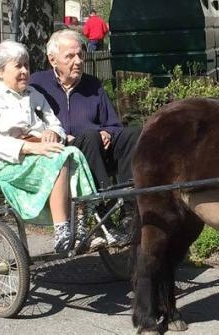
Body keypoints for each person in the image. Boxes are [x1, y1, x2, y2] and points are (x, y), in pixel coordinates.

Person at [0, 40, 99, 253]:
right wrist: (29, 148)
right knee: (58, 158)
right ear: (0, 71)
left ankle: (81, 227)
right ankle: (62, 231)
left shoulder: (32, 94)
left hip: (34, 155)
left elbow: (56, 125)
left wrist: (52, 132)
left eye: (27, 65)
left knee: (73, 153)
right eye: (18, 66)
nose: (25, 71)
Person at [29, 29, 139, 241]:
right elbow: (25, 124)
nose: (78, 61)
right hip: (63, 153)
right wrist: (53, 135)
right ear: (52, 59)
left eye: (80, 54)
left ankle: (129, 210)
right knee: (90, 135)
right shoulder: (37, 85)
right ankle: (102, 210)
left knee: (132, 135)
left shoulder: (93, 85)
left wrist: (108, 131)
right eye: (70, 56)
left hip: (97, 147)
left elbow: (114, 124)